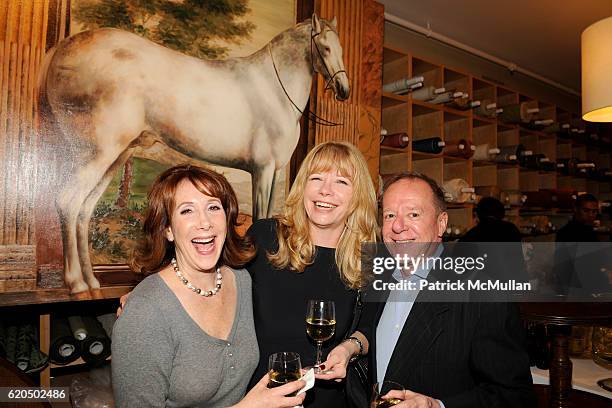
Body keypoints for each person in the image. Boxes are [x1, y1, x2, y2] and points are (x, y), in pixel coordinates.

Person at [324, 172, 536, 407]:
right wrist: (350, 347)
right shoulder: (378, 278)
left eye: (413, 214)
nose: (398, 226)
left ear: (441, 223)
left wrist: (438, 406)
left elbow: (515, 396)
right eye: (390, 215)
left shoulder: (482, 294)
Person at [112, 165, 305, 408]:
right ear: (168, 229)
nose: (205, 223)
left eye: (213, 207)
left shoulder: (241, 280)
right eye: (187, 211)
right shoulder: (146, 312)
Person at [247, 141, 378, 407]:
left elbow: (370, 326)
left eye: (341, 182)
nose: (325, 191)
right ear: (302, 186)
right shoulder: (265, 238)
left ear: (358, 195)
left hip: (326, 399)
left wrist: (349, 348)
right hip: (259, 396)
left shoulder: (368, 257)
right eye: (316, 178)